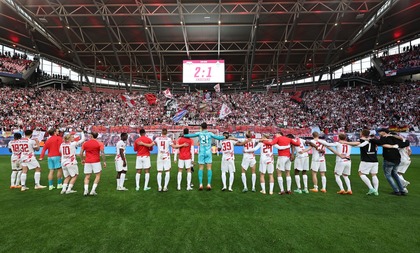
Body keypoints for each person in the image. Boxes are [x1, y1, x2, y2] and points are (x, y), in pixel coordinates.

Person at [184, 122, 226, 191]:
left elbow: (191, 135)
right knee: (209, 168)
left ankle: (200, 184)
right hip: (208, 152)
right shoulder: (210, 134)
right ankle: (209, 184)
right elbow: (218, 137)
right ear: (207, 127)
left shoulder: (199, 133)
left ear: (201, 127)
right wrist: (225, 136)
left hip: (201, 152)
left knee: (201, 168)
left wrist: (185, 135)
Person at [377, 128, 410, 195]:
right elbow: (406, 143)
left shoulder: (383, 138)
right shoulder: (395, 139)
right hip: (397, 159)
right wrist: (396, 142)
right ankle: (402, 190)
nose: (379, 133)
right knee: (395, 174)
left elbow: (379, 143)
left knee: (388, 175)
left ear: (384, 132)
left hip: (388, 159)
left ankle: (396, 190)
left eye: (380, 132)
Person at [79, 132, 106, 196]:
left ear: (91, 136)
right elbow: (102, 153)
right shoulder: (100, 143)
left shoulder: (85, 143)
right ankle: (93, 190)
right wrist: (104, 161)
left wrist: (82, 159)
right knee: (97, 175)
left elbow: (80, 153)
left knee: (87, 176)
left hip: (87, 161)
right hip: (96, 161)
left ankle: (86, 190)